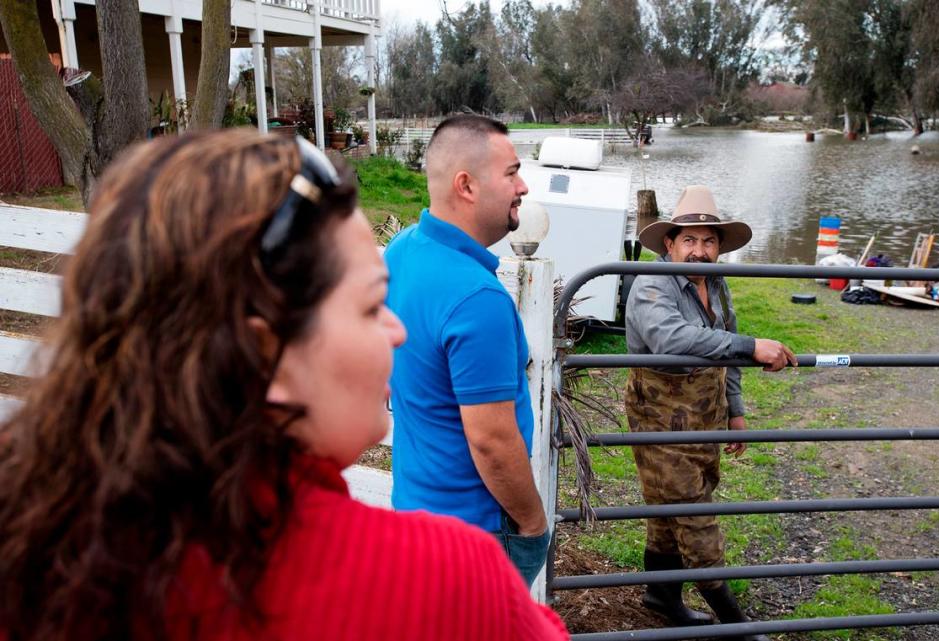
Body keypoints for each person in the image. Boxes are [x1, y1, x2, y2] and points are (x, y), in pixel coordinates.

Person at [0, 129, 568, 641]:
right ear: (265, 353)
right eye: (372, 306)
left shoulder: (45, 541)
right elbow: (491, 440)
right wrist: (530, 526)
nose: (396, 332)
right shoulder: (446, 583)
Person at [625, 185, 796, 641]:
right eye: (689, 240)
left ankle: (661, 596)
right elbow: (672, 338)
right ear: (670, 244)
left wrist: (734, 410)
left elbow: (726, 347)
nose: (699, 251)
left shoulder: (715, 283)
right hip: (661, 417)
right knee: (693, 512)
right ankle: (735, 624)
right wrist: (751, 347)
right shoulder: (650, 283)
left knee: (669, 507)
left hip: (705, 411)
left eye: (709, 241)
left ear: (718, 246)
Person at [385, 115, 550, 587]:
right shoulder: (478, 300)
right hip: (474, 539)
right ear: (467, 186)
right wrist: (533, 522)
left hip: (416, 515)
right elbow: (492, 442)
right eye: (511, 172)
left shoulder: (400, 253)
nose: (522, 186)